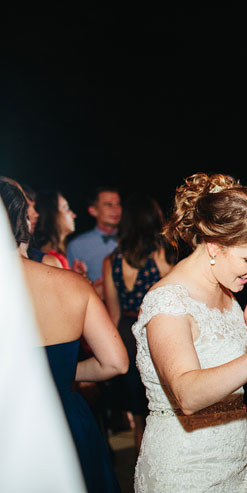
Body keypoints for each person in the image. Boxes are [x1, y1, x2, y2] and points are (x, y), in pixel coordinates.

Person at [131, 172, 247, 492]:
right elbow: (187, 394)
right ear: (214, 246)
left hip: (236, 466)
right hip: (185, 473)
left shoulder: (227, 293)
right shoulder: (166, 303)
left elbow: (226, 369)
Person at [1, 178, 129, 493]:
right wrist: (57, 372)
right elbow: (115, 363)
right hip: (65, 422)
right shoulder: (71, 284)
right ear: (26, 223)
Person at [0, 182, 86, 493]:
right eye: (28, 206)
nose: (33, 212)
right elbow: (116, 362)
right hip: (59, 407)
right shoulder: (54, 271)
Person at [102, 194, 175, 454]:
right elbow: (176, 295)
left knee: (139, 416)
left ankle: (143, 469)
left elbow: (113, 315)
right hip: (155, 333)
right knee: (163, 408)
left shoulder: (112, 261)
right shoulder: (163, 255)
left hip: (126, 336)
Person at [67, 187, 122, 291]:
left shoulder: (131, 238)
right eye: (108, 204)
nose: (116, 209)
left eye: (118, 204)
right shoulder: (77, 245)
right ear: (93, 211)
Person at [30, 190, 86, 275]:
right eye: (66, 209)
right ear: (51, 215)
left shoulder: (54, 254)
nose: (73, 215)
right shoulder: (50, 259)